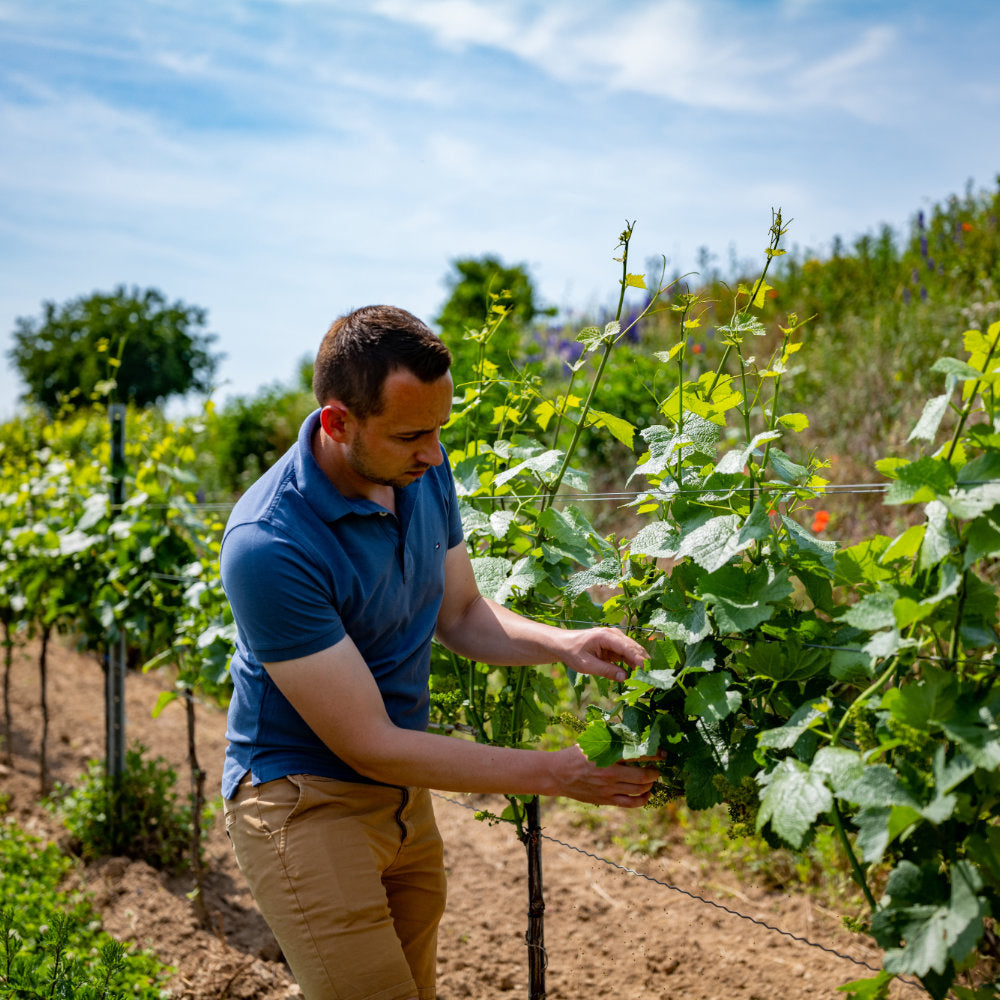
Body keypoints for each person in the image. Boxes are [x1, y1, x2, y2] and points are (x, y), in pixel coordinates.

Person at [220, 305, 660, 1000]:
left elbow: (460, 613)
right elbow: (367, 742)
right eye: (411, 434)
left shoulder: (419, 466)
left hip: (403, 795)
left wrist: (564, 643)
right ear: (338, 423)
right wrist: (556, 773)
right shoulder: (269, 545)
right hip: (305, 801)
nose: (433, 453)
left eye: (439, 430)